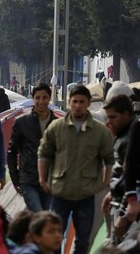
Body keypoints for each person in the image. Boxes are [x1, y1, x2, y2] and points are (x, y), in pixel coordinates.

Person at [38, 84, 115, 254]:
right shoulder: (56, 128)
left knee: (83, 242)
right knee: (54, 241)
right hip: (60, 193)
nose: (78, 105)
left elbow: (109, 158)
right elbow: (44, 153)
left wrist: (105, 181)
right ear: (69, 102)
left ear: (88, 103)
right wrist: (42, 178)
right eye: (75, 101)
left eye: (82, 101)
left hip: (86, 194)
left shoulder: (100, 132)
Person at [7, 82, 59, 212]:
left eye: (45, 97)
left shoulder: (58, 124)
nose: (41, 101)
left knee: (47, 218)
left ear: (49, 98)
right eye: (37, 98)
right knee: (39, 215)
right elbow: (12, 152)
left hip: (51, 180)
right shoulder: (21, 122)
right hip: (28, 180)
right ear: (33, 99)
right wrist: (15, 179)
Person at [101, 95, 135, 243]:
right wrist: (112, 192)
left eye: (113, 117)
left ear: (126, 114)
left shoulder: (134, 136)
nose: (109, 122)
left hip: (128, 210)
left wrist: (123, 213)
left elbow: (134, 177)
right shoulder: (123, 135)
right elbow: (123, 174)